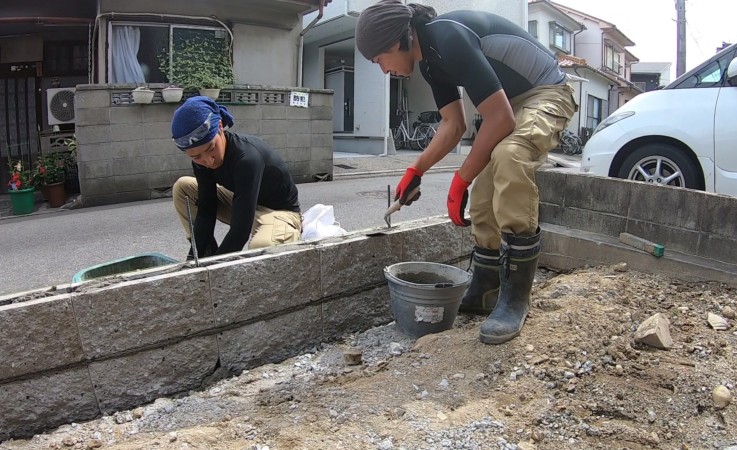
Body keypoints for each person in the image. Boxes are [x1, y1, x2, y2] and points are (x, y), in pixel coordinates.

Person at [356, 1, 577, 344]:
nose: (383, 70)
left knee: (510, 155)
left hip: (547, 92)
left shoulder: (447, 37)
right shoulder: (428, 62)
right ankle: (487, 287)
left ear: (395, 42)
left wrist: (460, 180)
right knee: (488, 175)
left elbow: (500, 119)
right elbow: (453, 124)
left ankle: (516, 298)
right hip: (511, 103)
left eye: (378, 60)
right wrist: (416, 170)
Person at [171, 96, 302, 258]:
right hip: (244, 206)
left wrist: (216, 269)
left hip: (280, 214)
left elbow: (240, 231)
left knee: (262, 246)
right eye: (196, 157)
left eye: (211, 148)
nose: (208, 160)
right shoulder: (202, 163)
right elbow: (206, 208)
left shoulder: (247, 158)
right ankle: (206, 253)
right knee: (183, 188)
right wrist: (195, 256)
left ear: (219, 127)